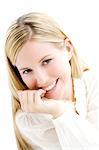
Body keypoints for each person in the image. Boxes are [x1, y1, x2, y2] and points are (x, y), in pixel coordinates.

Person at [5, 12, 99, 150]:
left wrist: (61, 111)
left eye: (46, 61)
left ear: (68, 49)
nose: (42, 79)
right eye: (27, 71)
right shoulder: (29, 121)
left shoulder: (93, 83)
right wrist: (59, 111)